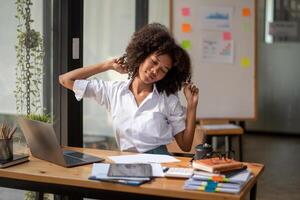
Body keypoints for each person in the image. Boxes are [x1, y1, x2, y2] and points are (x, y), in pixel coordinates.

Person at [59, 23, 199, 155]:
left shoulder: (167, 100)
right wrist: (107, 65)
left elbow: (185, 146)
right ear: (143, 55)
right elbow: (65, 80)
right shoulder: (113, 91)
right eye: (154, 62)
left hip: (160, 165)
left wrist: (192, 106)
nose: (155, 71)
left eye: (163, 70)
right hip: (125, 162)